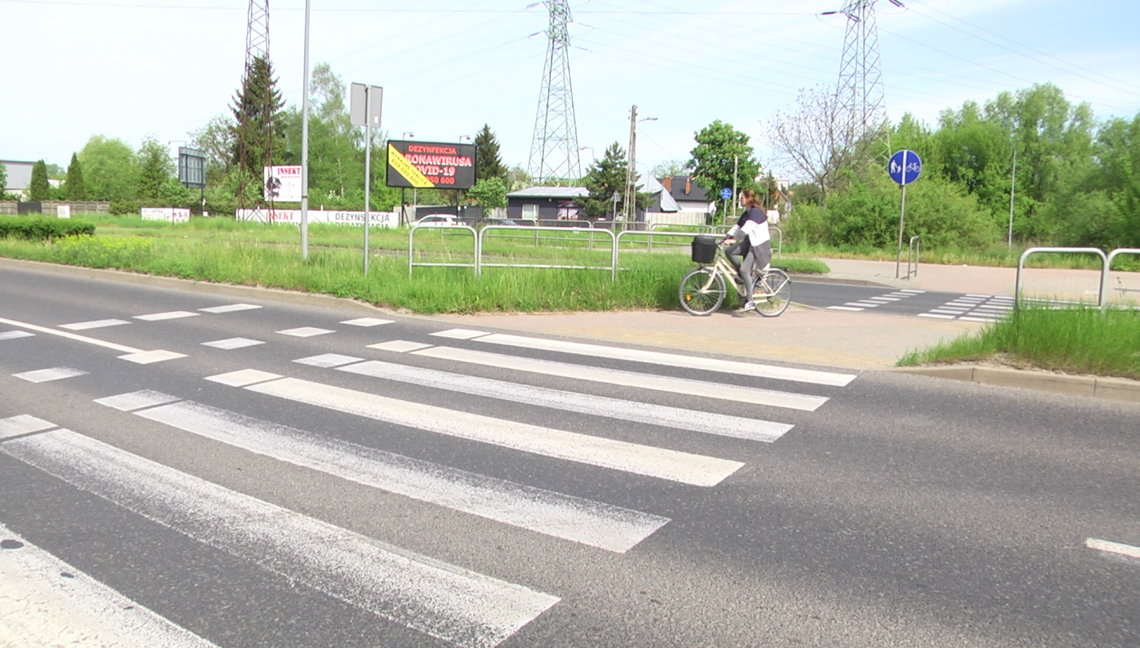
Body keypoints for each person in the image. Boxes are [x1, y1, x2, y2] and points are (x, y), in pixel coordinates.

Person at [723, 189, 772, 314]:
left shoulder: (755, 213)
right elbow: (737, 227)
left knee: (745, 269)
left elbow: (746, 229)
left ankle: (750, 301)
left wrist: (734, 239)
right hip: (748, 243)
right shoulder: (746, 213)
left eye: (742, 198)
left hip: (758, 247)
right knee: (729, 251)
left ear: (748, 198)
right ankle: (741, 277)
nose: (740, 200)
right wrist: (725, 237)